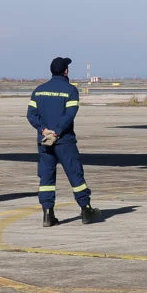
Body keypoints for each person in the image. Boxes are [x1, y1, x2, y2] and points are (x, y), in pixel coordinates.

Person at [29, 56, 102, 226]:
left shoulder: (38, 90)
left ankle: (48, 214)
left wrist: (44, 130)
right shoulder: (70, 90)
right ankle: (86, 209)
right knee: (75, 174)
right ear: (66, 71)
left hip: (45, 140)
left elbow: (31, 115)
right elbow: (69, 115)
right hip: (64, 141)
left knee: (46, 177)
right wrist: (57, 132)